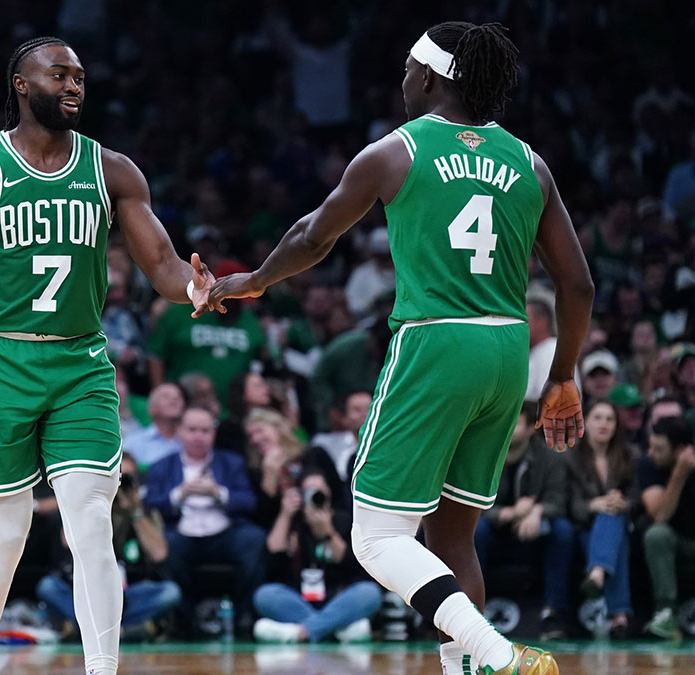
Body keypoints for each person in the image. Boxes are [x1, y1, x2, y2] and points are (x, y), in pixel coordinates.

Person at [210, 21, 593, 675]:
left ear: (432, 77)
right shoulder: (531, 162)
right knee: (452, 533)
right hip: (506, 349)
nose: (402, 82)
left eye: (407, 70)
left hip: (438, 339)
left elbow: (311, 236)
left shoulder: (396, 150)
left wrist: (248, 281)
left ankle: (500, 654)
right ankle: (467, 668)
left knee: (375, 535)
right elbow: (578, 283)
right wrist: (561, 376)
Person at [0, 36, 213, 675]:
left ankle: (103, 669)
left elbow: (161, 265)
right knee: (5, 537)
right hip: (0, 363)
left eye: (80, 77)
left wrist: (195, 287)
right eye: (59, 74)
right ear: (21, 83)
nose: (74, 86)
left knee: (93, 524)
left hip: (79, 364)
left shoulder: (113, 170)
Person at [143, 407, 264, 635]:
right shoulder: (162, 465)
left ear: (214, 433)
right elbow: (150, 502)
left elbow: (249, 501)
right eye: (192, 430)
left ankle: (244, 616)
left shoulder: (232, 462)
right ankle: (183, 619)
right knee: (164, 545)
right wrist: (180, 494)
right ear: (179, 431)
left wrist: (218, 493)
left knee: (254, 539)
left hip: (223, 530)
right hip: (181, 531)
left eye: (205, 431)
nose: (198, 436)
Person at [36, 453, 181, 639]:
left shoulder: (144, 510)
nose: (120, 484)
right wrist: (98, 500)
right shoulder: (91, 504)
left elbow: (159, 553)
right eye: (116, 477)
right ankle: (121, 631)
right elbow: (69, 541)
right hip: (88, 590)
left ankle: (96, 630)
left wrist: (135, 512)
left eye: (126, 479)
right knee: (48, 587)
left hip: (129, 591)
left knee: (170, 592)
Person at [474, 405, 574, 640]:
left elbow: (559, 502)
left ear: (531, 428)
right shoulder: (484, 454)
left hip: (534, 529)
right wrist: (506, 513)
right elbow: (471, 504)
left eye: (515, 423)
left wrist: (537, 511)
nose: (507, 428)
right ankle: (471, 610)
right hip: (496, 528)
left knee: (563, 531)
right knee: (476, 531)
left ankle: (553, 613)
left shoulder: (550, 457)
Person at [253, 470, 383, 644]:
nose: (315, 496)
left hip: (338, 599)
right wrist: (285, 514)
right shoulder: (293, 521)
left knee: (369, 592)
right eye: (309, 492)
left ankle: (300, 632)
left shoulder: (343, 520)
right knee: (265, 594)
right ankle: (336, 631)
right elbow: (271, 555)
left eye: (319, 491)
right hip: (299, 600)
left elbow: (351, 564)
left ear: (329, 494)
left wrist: (327, 532)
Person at [566, 400, 634, 638]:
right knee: (614, 532)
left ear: (617, 425)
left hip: (622, 524)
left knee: (613, 517)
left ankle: (596, 574)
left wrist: (624, 503)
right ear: (585, 422)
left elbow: (638, 497)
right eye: (598, 417)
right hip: (583, 528)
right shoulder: (571, 457)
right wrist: (592, 505)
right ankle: (619, 617)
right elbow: (569, 503)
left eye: (609, 419)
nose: (603, 424)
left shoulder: (628, 455)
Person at [638, 416, 695, 640]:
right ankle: (666, 612)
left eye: (659, 449)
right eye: (650, 446)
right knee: (656, 534)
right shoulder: (647, 465)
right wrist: (679, 474)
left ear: (681, 449)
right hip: (674, 541)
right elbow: (660, 515)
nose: (651, 453)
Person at [121, 383, 184, 472]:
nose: (174, 399)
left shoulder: (193, 440)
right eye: (166, 396)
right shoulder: (132, 444)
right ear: (151, 408)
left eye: (179, 396)